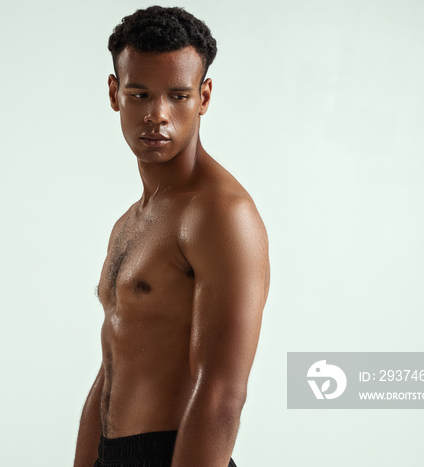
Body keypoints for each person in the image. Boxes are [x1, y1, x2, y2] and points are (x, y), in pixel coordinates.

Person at [74, 6, 270, 467]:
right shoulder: (130, 221)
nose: (157, 115)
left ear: (203, 97)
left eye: (177, 96)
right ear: (114, 92)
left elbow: (222, 394)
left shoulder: (221, 215)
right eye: (139, 94)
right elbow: (112, 370)